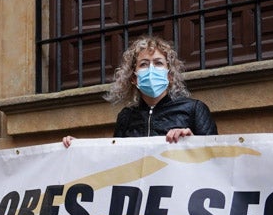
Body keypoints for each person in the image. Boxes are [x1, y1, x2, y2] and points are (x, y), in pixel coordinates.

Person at [63, 35, 217, 147]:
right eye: (143, 64)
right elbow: (115, 162)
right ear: (134, 78)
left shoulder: (194, 109)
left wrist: (192, 141)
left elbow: (216, 158)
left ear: (169, 76)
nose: (151, 69)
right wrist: (80, 149)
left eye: (158, 63)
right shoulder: (126, 117)